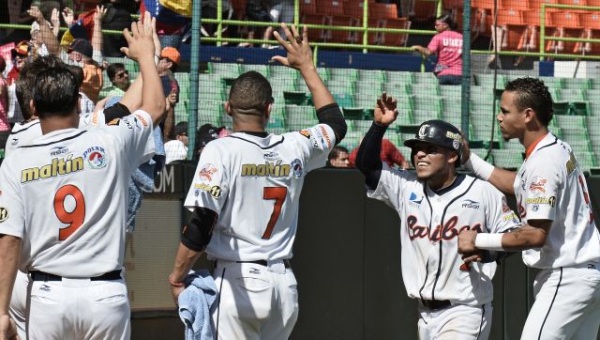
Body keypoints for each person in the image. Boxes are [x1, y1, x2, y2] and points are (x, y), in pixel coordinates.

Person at [167, 23, 347, 339]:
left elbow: (202, 223)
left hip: (239, 279)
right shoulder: (295, 145)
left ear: (227, 107)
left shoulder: (219, 149)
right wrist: (306, 66)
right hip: (284, 286)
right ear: (269, 109)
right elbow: (335, 124)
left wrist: (177, 276)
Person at [0, 17, 165, 340]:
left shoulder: (17, 151)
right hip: (104, 293)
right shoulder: (104, 139)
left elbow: (9, 238)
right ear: (77, 102)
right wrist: (148, 58)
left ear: (32, 103)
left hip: (44, 289)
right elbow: (150, 107)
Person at [355, 94, 521, 340]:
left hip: (466, 310)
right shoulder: (406, 187)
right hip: (424, 315)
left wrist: (488, 252)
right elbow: (367, 166)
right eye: (417, 149)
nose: (420, 155)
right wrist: (379, 126)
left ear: (452, 156)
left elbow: (515, 234)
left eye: (431, 149)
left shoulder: (483, 191)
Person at [459, 77, 600, 339]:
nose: (499, 117)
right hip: (588, 275)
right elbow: (520, 184)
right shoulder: (554, 148)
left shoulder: (543, 161)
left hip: (567, 276)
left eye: (505, 111)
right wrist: (471, 161)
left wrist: (477, 239)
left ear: (527, 115)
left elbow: (534, 235)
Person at [411, 14, 463, 85]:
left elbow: (428, 52)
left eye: (437, 25)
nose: (435, 27)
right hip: (459, 74)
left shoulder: (438, 37)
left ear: (445, 26)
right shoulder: (461, 37)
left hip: (443, 74)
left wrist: (418, 47)